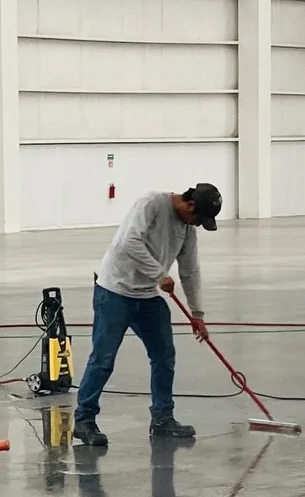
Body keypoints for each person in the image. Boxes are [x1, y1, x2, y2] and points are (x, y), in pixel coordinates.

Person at [70, 184, 222, 452]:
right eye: (199, 219)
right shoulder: (151, 204)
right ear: (190, 206)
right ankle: (84, 420)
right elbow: (128, 242)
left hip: (147, 296)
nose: (197, 226)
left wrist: (197, 314)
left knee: (164, 356)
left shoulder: (187, 229)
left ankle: (162, 419)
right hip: (114, 290)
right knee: (103, 359)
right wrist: (158, 274)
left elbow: (190, 270)